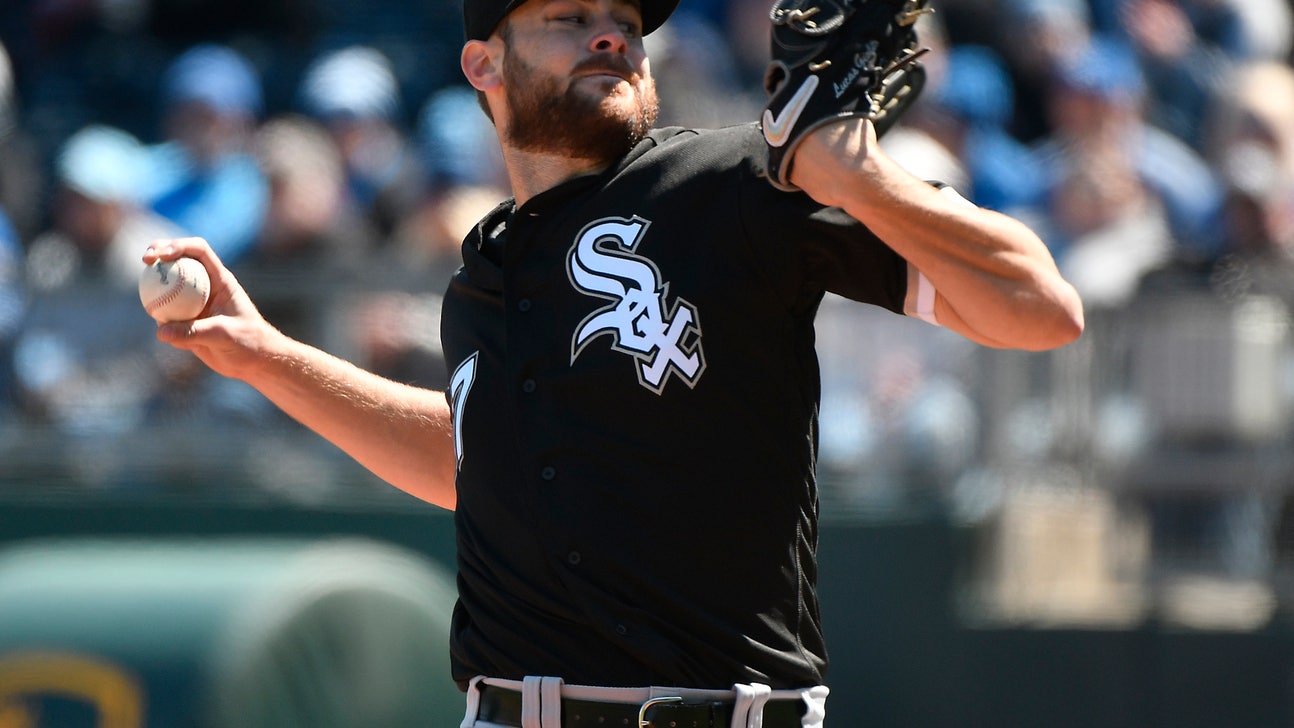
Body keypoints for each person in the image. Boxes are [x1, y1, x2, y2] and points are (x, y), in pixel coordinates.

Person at [143, 0, 1084, 724]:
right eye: (569, 17)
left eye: (625, 23)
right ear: (484, 63)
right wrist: (266, 356)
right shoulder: (482, 273)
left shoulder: (734, 184)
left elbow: (1040, 309)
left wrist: (857, 177)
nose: (609, 37)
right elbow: (472, 466)